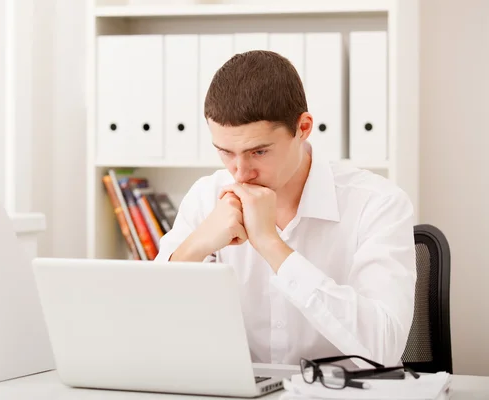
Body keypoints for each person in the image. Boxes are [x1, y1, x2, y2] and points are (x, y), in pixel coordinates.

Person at [154, 50, 416, 367]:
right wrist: (195, 246)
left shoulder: (377, 203)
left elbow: (385, 347)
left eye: (259, 151)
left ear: (303, 128)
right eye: (225, 152)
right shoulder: (206, 196)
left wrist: (270, 244)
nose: (240, 172)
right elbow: (152, 326)